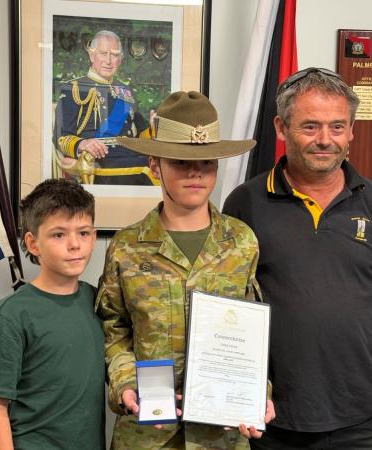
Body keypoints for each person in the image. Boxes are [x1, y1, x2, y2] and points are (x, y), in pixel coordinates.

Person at [223, 67, 372, 449]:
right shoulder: (245, 203)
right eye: (310, 127)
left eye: (337, 127)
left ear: (351, 131)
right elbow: (227, 303)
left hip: (362, 419)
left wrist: (356, 330)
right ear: (280, 127)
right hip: (272, 416)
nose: (325, 140)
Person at [97, 91, 275, 449]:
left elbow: (250, 335)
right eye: (180, 161)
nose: (196, 172)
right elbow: (113, 329)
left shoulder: (241, 242)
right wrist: (125, 383)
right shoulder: (127, 247)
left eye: (207, 162)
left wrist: (256, 393)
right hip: (147, 434)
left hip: (220, 436)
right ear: (154, 165)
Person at [0, 179, 105, 450]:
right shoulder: (13, 314)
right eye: (59, 234)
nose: (74, 244)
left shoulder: (97, 301)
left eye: (83, 233)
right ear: (33, 244)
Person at [53, 29, 156, 185]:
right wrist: (83, 144)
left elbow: (141, 134)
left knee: (162, 164)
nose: (108, 60)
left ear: (120, 60)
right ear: (91, 55)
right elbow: (61, 137)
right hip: (99, 160)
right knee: (149, 168)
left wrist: (154, 128)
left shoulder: (126, 91)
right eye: (103, 53)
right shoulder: (73, 89)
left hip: (130, 155)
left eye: (114, 55)